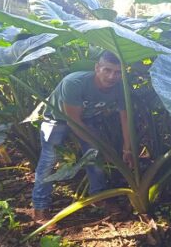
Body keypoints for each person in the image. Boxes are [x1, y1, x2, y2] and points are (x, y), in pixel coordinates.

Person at [32, 51, 133, 222]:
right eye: (107, 70)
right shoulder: (75, 82)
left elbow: (125, 117)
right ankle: (40, 207)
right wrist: (101, 147)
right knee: (50, 158)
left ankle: (98, 198)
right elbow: (73, 121)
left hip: (88, 118)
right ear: (97, 68)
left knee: (94, 157)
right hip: (57, 119)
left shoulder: (121, 87)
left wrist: (127, 148)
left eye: (117, 72)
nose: (112, 76)